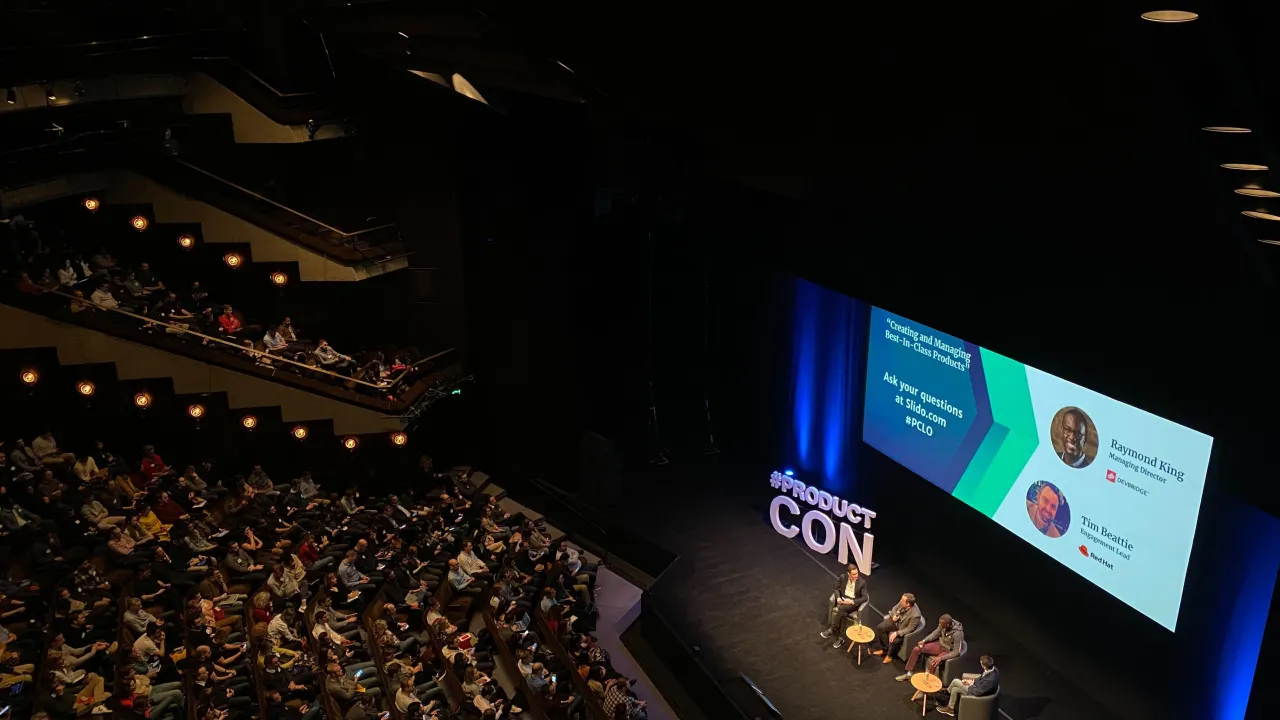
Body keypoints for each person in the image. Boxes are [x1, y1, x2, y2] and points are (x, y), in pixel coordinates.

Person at [896, 614, 965, 682]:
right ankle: (909, 673)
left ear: (947, 625)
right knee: (917, 649)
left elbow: (956, 652)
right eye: (939, 624)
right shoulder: (943, 624)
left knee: (933, 662)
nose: (940, 625)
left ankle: (926, 684)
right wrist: (924, 640)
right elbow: (935, 633)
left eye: (941, 625)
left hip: (947, 651)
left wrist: (941, 658)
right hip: (939, 645)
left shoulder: (958, 634)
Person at [819, 564, 869, 648]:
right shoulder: (843, 577)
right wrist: (838, 598)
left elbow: (864, 597)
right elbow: (836, 588)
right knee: (844, 613)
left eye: (857, 573)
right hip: (843, 599)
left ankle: (832, 628)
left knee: (842, 608)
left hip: (853, 603)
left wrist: (852, 601)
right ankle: (841, 638)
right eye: (853, 574)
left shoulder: (862, 582)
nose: (856, 576)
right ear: (848, 574)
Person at [872, 592, 922, 663]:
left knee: (894, 639)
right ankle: (885, 649)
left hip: (902, 629)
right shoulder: (903, 602)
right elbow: (894, 608)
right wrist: (894, 615)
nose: (900, 601)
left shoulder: (916, 615)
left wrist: (897, 633)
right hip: (896, 622)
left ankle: (889, 656)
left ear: (908, 604)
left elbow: (910, 629)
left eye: (902, 601)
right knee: (880, 627)